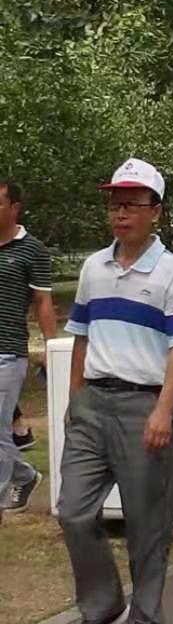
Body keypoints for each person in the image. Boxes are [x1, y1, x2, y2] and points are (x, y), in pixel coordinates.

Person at [59, 159, 173, 624]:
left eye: (132, 204)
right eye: (115, 204)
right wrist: (75, 398)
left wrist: (164, 410)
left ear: (155, 211)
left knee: (146, 523)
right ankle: (102, 605)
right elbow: (81, 336)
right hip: (93, 403)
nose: (120, 213)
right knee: (73, 511)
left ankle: (147, 621)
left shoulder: (171, 272)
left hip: (144, 404)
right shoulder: (94, 267)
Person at [0, 179, 56, 520]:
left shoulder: (32, 249)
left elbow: (43, 302)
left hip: (7, 351)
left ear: (15, 207)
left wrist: (52, 348)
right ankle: (24, 475)